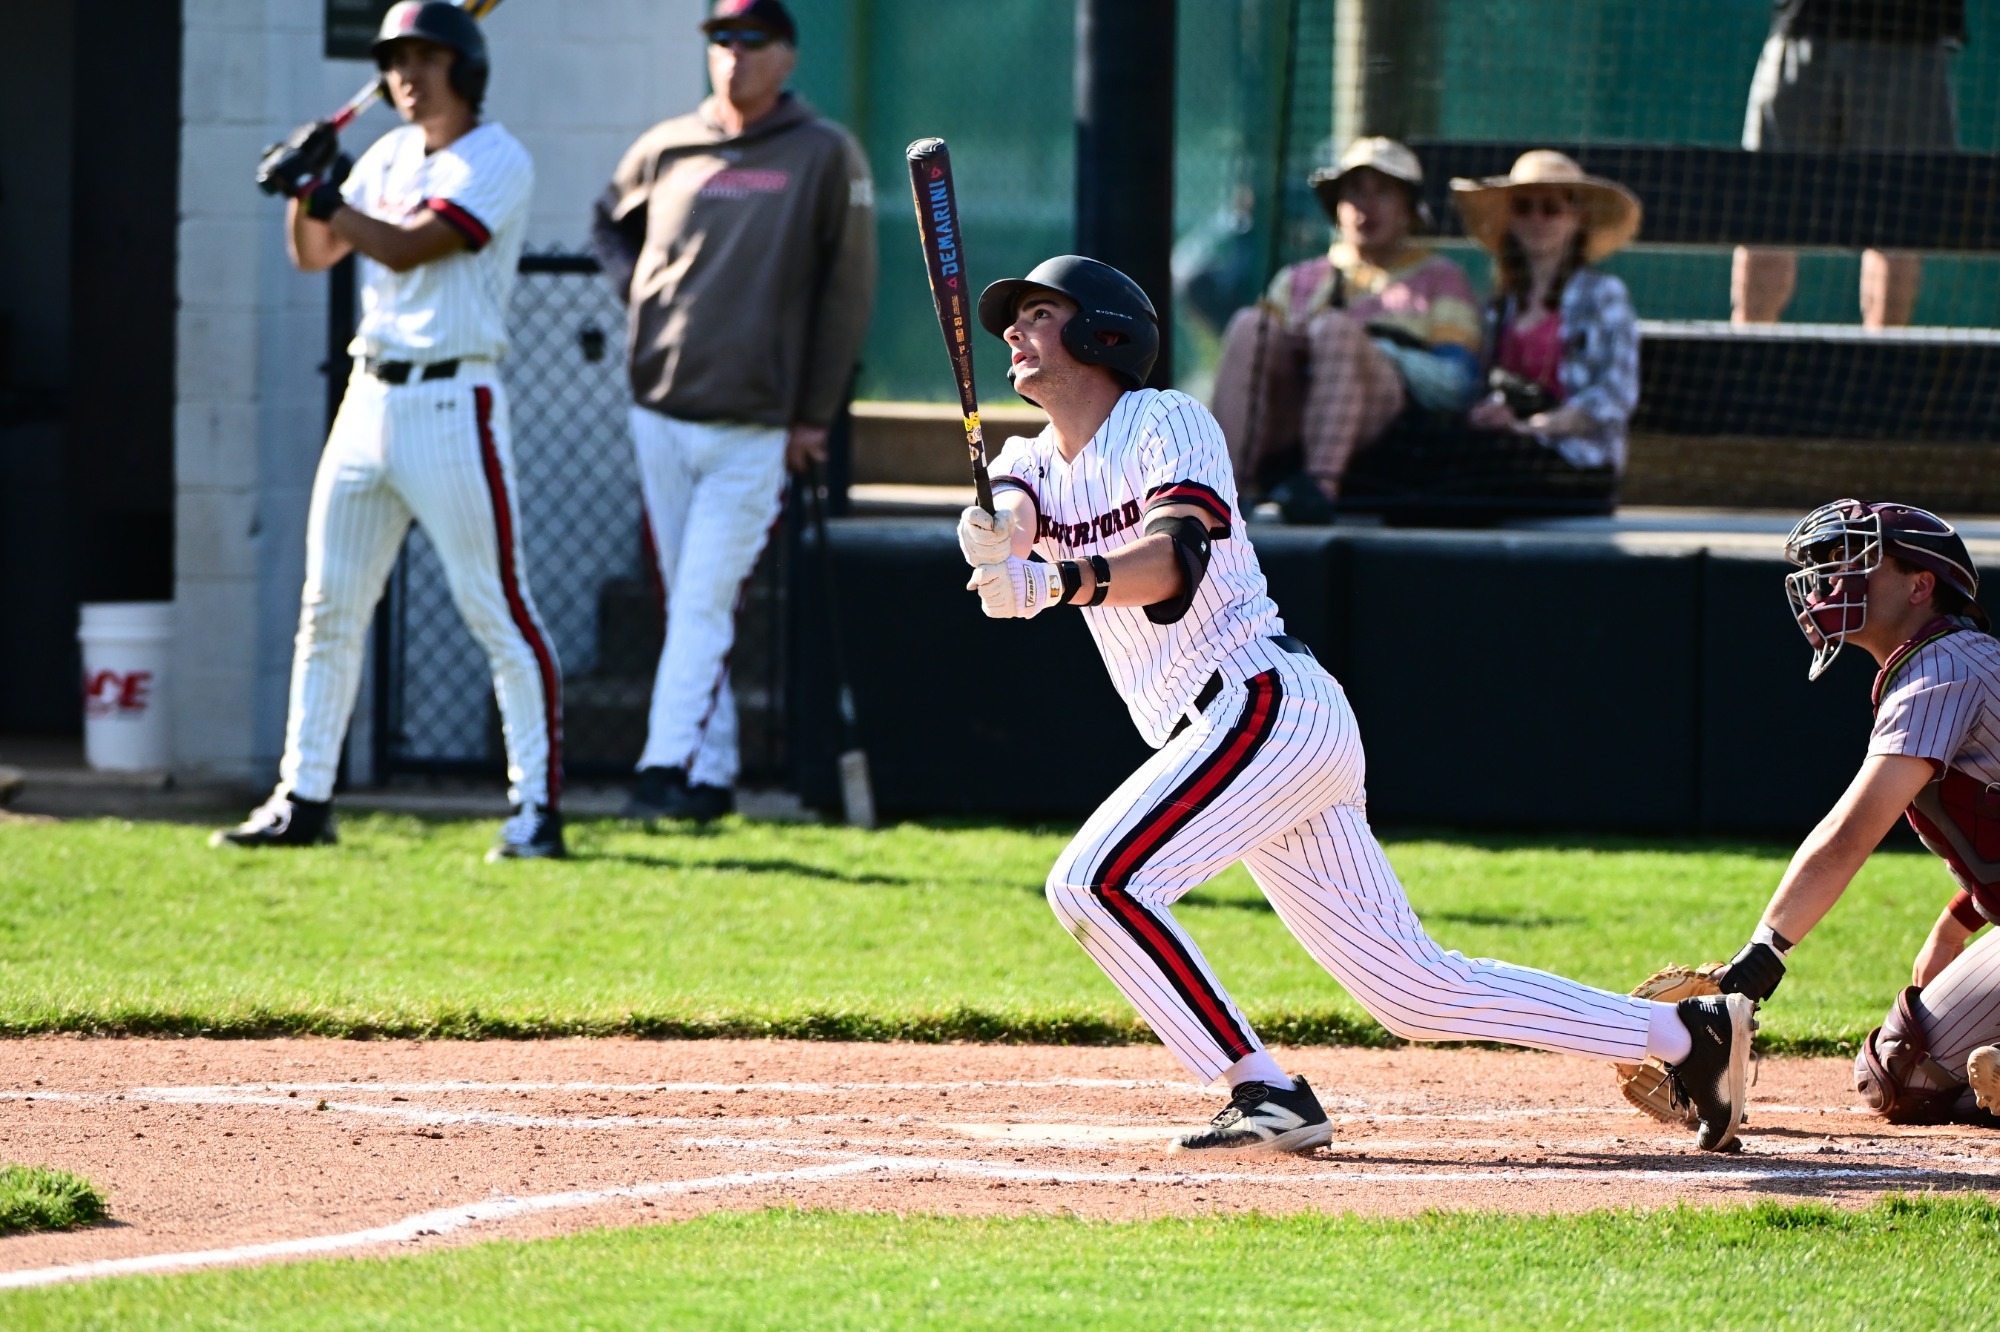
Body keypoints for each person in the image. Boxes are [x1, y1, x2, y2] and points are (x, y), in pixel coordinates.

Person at [957, 253, 1754, 1155]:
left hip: (1263, 707)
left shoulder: (1163, 419)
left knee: (1096, 882)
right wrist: (992, 533)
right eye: (1012, 320)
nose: (1017, 332)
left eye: (1040, 313)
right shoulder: (1028, 458)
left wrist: (1056, 581)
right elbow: (1015, 508)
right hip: (1242, 740)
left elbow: (1175, 564)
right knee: (1414, 991)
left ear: (1104, 331)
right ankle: (1691, 1038)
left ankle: (1261, 1090)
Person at [221, 1, 563, 861]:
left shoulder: (498, 156)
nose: (409, 74)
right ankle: (304, 798)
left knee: (497, 611)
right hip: (367, 398)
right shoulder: (382, 153)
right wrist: (308, 187)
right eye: (397, 59)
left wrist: (319, 192)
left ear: (465, 65)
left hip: (454, 402)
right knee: (328, 607)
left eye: (427, 57)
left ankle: (536, 810)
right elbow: (314, 254)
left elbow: (412, 247)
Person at [591, 0, 876, 824]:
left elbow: (848, 294)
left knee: (706, 598)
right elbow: (606, 222)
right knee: (686, 595)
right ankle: (711, 776)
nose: (734, 55)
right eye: (721, 39)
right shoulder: (668, 143)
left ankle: (661, 767)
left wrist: (815, 415)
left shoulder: (825, 153)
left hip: (759, 424)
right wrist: (641, 294)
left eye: (752, 41)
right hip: (662, 410)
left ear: (786, 55)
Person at [1701, 498, 2000, 1126]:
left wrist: (1762, 958)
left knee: (1900, 1072)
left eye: (1854, 562)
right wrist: (1956, 920)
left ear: (1922, 586)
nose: (1830, 580)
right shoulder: (1955, 660)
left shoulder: (1944, 666)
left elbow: (1850, 835)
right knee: (1914, 1069)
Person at [1210, 138, 1481, 520]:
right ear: (1337, 207)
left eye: (1383, 193)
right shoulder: (1298, 280)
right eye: (1355, 193)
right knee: (1248, 325)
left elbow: (1457, 385)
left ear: (1409, 209)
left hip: (1390, 428)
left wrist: (1374, 350)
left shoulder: (1441, 279)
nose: (1365, 207)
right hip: (1289, 418)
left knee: (1335, 331)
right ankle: (1222, 493)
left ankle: (1318, 491)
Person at [1734, 1, 1964, 328]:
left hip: (1908, 31)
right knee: (1767, 209)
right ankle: (1744, 359)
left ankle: (1882, 367)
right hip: (1804, 25)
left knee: (1897, 221)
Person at [1451, 150, 1642, 486]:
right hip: (1505, 455)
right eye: (1524, 208)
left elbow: (1615, 394)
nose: (1536, 220)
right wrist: (1492, 415)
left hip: (1579, 464)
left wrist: (1532, 427)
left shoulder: (1603, 296)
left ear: (1577, 218)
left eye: (1551, 209)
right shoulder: (1498, 307)